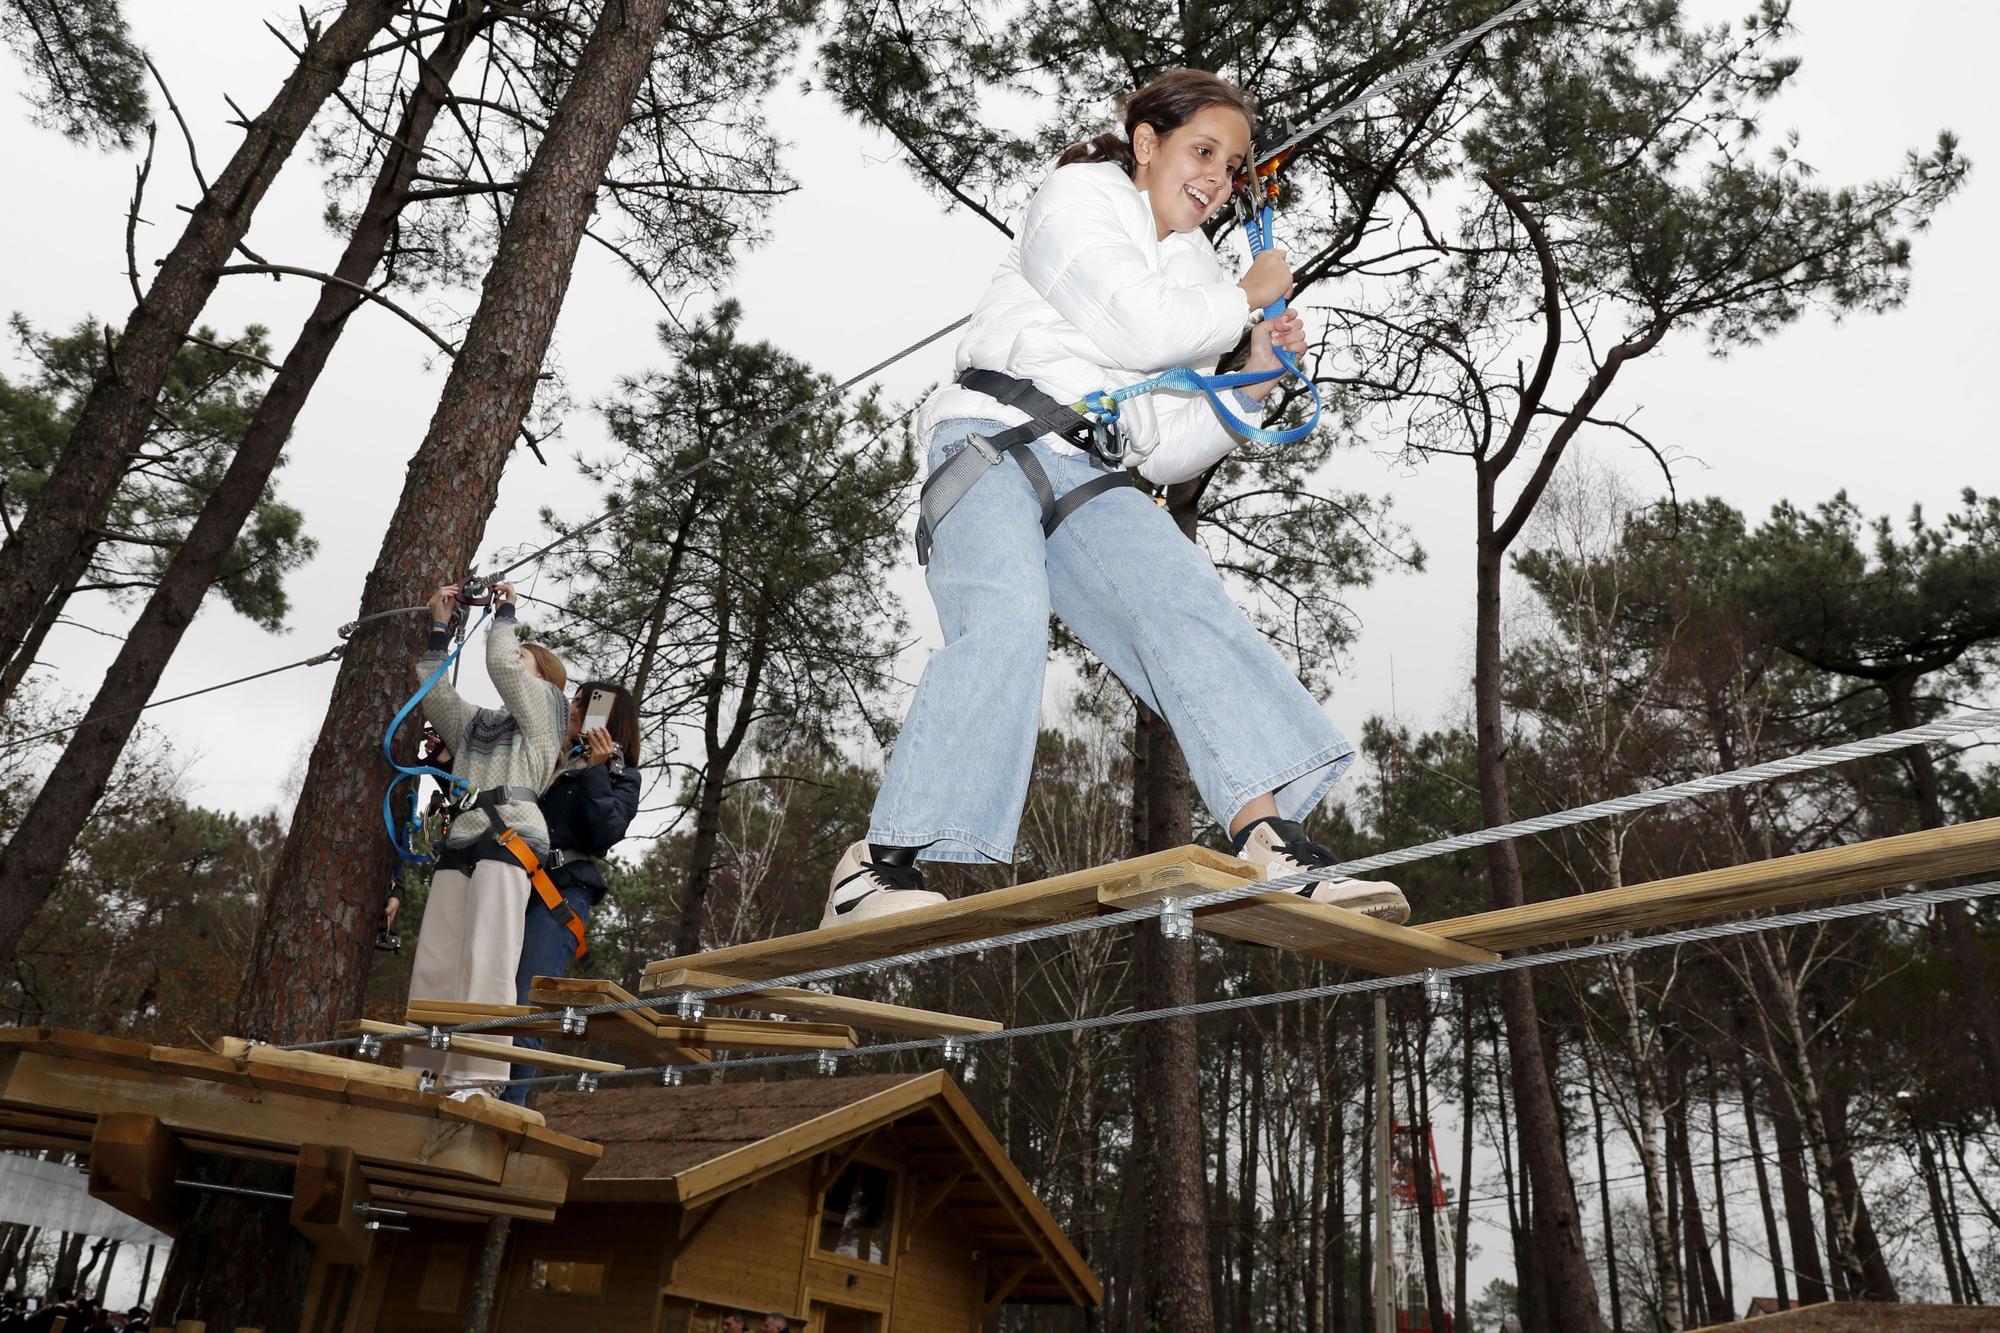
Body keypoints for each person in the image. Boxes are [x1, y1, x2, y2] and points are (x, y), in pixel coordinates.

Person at [825, 68, 1405, 926]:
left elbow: (1167, 447)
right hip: (991, 439)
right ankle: (878, 865)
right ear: (1147, 144)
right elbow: (1135, 325)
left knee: (1182, 596)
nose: (1217, 177)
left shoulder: (1195, 267)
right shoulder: (1077, 200)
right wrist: (1243, 299)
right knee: (1008, 617)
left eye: (1234, 164)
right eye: (1202, 150)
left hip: (1090, 468)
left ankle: (1268, 834)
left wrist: (1246, 384)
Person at [400, 580, 571, 1090]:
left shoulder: (547, 712)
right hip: (463, 838)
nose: (513, 661)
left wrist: (506, 613)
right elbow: (435, 696)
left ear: (543, 677)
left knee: (487, 956)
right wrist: (439, 629)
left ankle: (478, 1075)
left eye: (524, 656)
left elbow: (500, 667)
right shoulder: (479, 725)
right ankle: (424, 1073)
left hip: (511, 834)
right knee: (437, 962)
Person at [500, 680, 644, 1107]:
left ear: (609, 720)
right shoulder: (551, 759)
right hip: (510, 881)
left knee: (527, 1005)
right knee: (489, 992)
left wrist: (597, 770)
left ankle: (511, 1110)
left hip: (559, 895)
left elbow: (606, 832)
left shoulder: (622, 778)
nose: (575, 710)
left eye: (584, 706)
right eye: (576, 703)